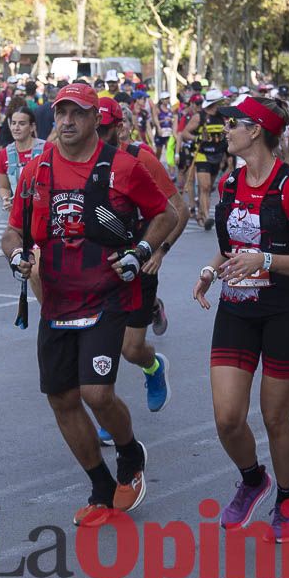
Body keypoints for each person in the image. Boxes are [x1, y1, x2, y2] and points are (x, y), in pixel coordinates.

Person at [2, 82, 177, 528]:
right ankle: (100, 488)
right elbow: (13, 232)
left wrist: (141, 252)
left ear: (96, 119)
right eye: (61, 113)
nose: (66, 121)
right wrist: (18, 256)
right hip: (57, 299)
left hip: (108, 294)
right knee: (61, 397)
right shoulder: (37, 169)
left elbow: (166, 214)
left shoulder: (124, 166)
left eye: (77, 113)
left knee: (96, 392)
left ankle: (130, 453)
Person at [191, 95, 289, 538]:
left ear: (256, 132)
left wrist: (265, 260)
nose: (226, 130)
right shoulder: (230, 184)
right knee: (227, 418)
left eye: (235, 123)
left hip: (285, 313)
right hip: (236, 309)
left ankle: (286, 498)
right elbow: (234, 246)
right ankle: (254, 480)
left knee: (274, 418)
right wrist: (212, 270)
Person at [90, 99, 188, 444]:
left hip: (138, 262)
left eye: (103, 130)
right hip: (96, 267)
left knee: (132, 349)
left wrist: (160, 250)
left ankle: (154, 367)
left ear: (118, 128)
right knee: (101, 343)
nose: (96, 136)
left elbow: (179, 209)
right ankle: (107, 412)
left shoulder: (140, 158)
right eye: (93, 128)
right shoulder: (77, 158)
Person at [181, 89, 229, 230]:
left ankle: (202, 213)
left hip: (217, 156)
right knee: (205, 186)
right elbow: (185, 133)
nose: (223, 103)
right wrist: (197, 138)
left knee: (208, 189)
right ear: (215, 103)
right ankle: (207, 216)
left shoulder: (222, 117)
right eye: (221, 101)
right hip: (202, 155)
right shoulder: (199, 117)